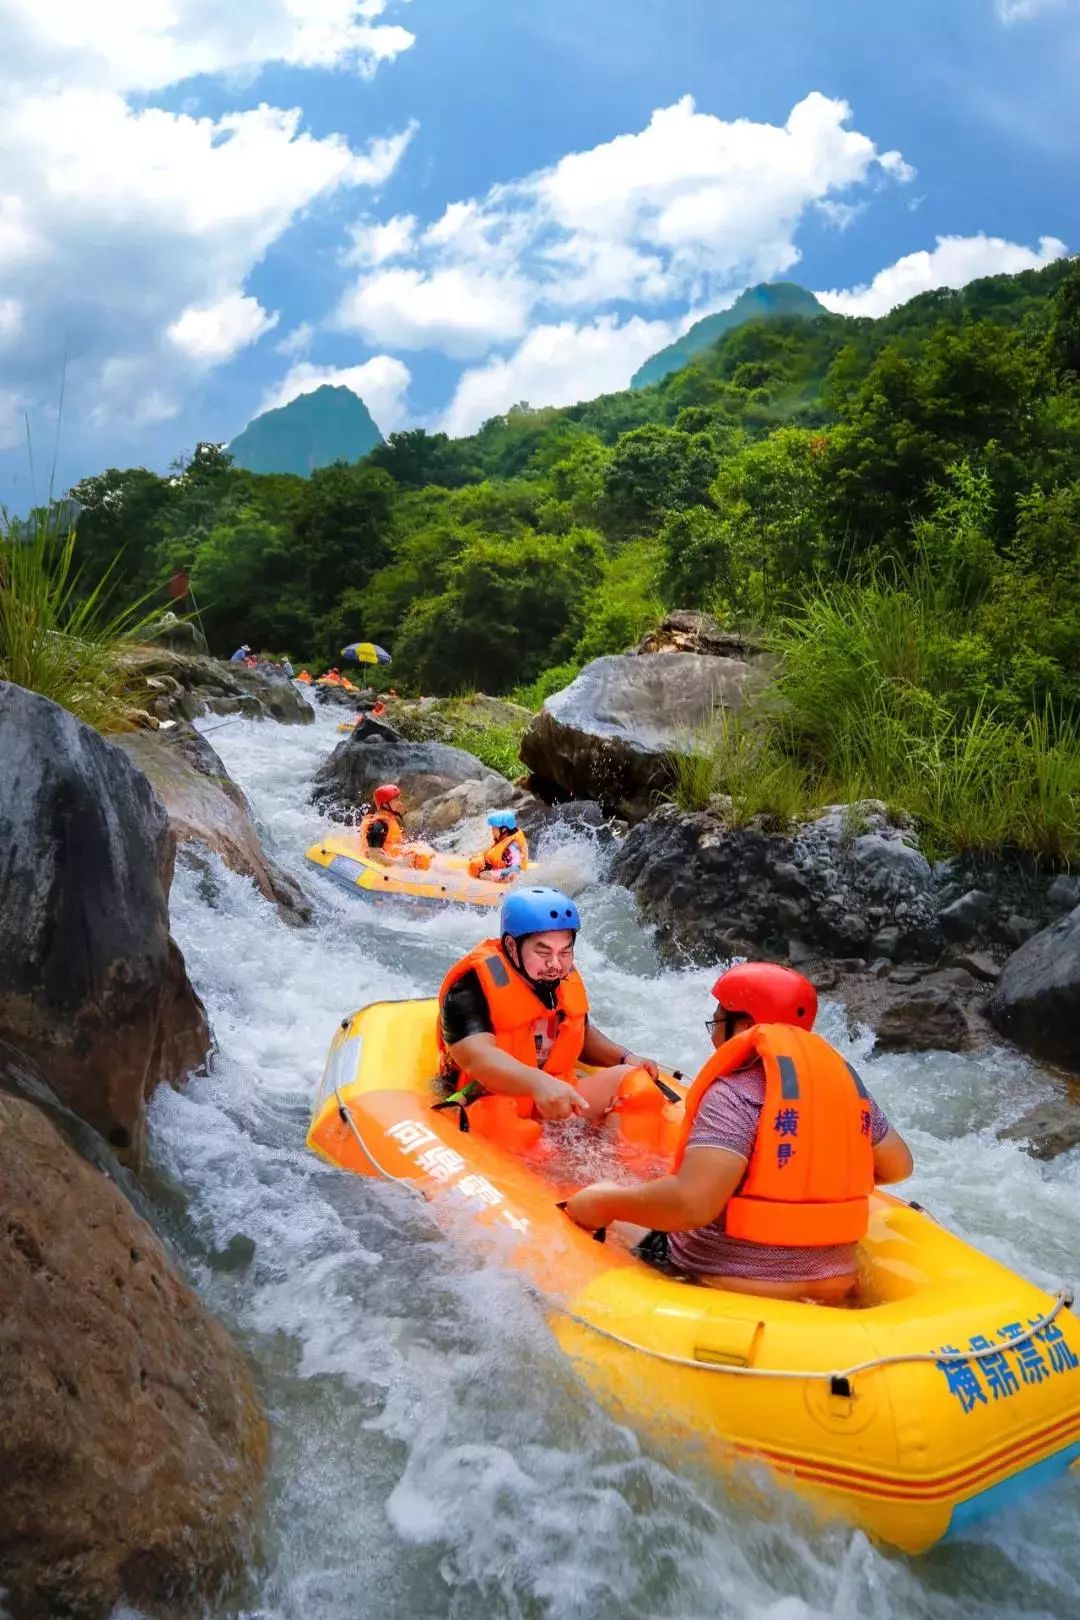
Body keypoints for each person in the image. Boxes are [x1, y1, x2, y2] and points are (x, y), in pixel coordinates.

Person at [565, 963, 914, 1304]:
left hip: (726, 1278)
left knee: (603, 1201)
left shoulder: (734, 1094)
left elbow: (692, 1204)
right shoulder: (847, 1088)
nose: (714, 1032)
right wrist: (804, 1179)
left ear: (744, 1025)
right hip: (834, 1280)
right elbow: (899, 1166)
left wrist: (602, 1202)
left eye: (717, 1020)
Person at [437, 888, 659, 1138]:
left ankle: (629, 1170)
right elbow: (478, 1058)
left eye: (565, 951)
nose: (555, 964)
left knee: (636, 1083)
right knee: (514, 1128)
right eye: (543, 952)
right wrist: (538, 1083)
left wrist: (625, 1058)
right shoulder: (470, 986)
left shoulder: (561, 979)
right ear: (511, 946)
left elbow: (578, 1033)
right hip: (489, 1098)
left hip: (555, 1090)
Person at [357, 784, 431, 869]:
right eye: (396, 800)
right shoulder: (378, 825)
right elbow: (373, 855)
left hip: (392, 859)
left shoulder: (391, 820)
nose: (400, 803)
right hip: (378, 870)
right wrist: (399, 863)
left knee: (422, 855)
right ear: (385, 804)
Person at [468, 810, 528, 881]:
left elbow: (516, 870)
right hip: (496, 868)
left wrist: (493, 874)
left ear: (504, 830)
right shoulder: (503, 838)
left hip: (502, 878)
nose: (492, 831)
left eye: (494, 828)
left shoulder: (512, 846)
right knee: (476, 862)